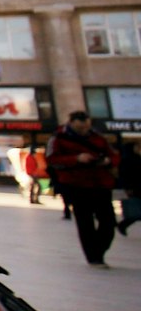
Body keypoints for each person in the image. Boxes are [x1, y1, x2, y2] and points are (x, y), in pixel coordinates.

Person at [47, 111, 120, 266]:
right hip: (76, 185)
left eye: (86, 127)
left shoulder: (98, 137)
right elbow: (52, 159)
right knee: (85, 222)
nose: (84, 130)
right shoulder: (58, 138)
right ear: (71, 123)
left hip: (101, 183)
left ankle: (99, 250)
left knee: (108, 222)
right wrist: (76, 159)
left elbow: (114, 155)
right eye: (80, 127)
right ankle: (93, 257)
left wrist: (108, 161)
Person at [118, 134, 141, 236]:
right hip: (134, 187)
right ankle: (123, 224)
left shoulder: (135, 158)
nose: (138, 149)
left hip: (137, 186)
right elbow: (125, 175)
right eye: (136, 147)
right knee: (135, 209)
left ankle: (123, 224)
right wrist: (128, 187)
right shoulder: (128, 159)